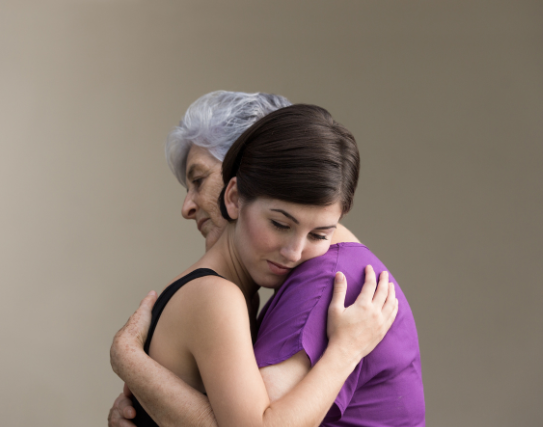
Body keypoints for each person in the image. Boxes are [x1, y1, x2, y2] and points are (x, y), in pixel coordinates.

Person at [109, 92, 424, 427]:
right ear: (235, 195)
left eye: (320, 234)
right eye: (279, 224)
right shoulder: (218, 296)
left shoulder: (245, 291)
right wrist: (346, 350)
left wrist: (133, 367)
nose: (294, 251)